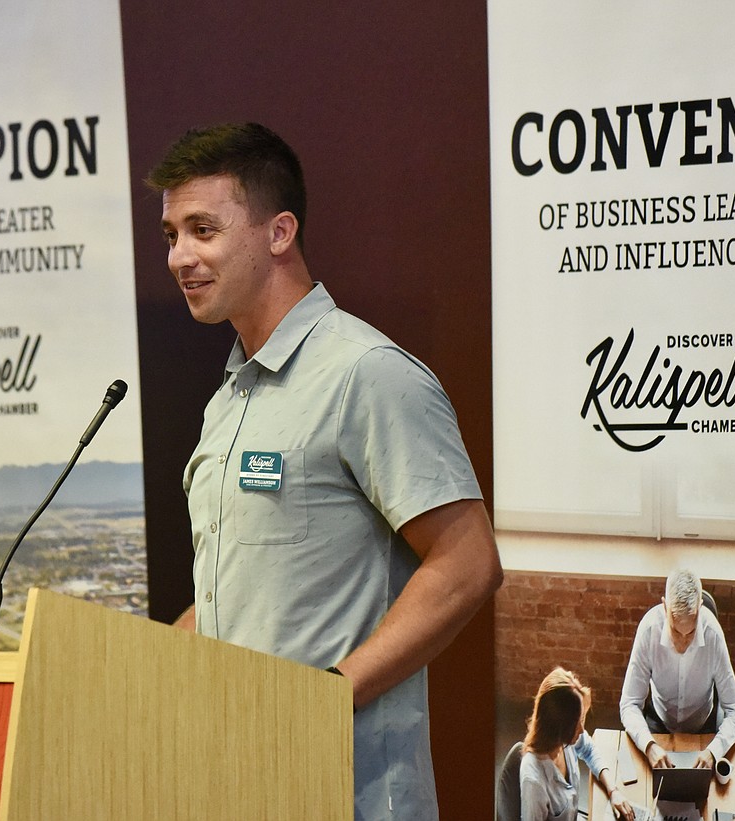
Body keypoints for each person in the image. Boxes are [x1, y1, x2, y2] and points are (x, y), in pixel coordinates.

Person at [146, 122, 503, 820]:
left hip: (350, 791)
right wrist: (135, 666)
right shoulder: (229, 399)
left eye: (202, 229)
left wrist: (328, 693)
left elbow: (469, 562)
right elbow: (243, 599)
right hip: (241, 782)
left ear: (279, 232)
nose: (180, 256)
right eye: (170, 235)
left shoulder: (365, 373)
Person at [619, 568, 735, 769]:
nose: (683, 642)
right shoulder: (649, 630)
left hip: (703, 726)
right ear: (664, 606)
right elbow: (629, 703)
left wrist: (714, 751)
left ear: (700, 607)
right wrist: (649, 745)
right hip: (659, 722)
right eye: (675, 631)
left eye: (691, 632)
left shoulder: (713, 635)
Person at [520, 667, 633, 821]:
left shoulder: (563, 740)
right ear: (557, 726)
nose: (581, 730)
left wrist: (613, 791)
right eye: (576, 723)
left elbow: (589, 750)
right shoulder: (534, 783)